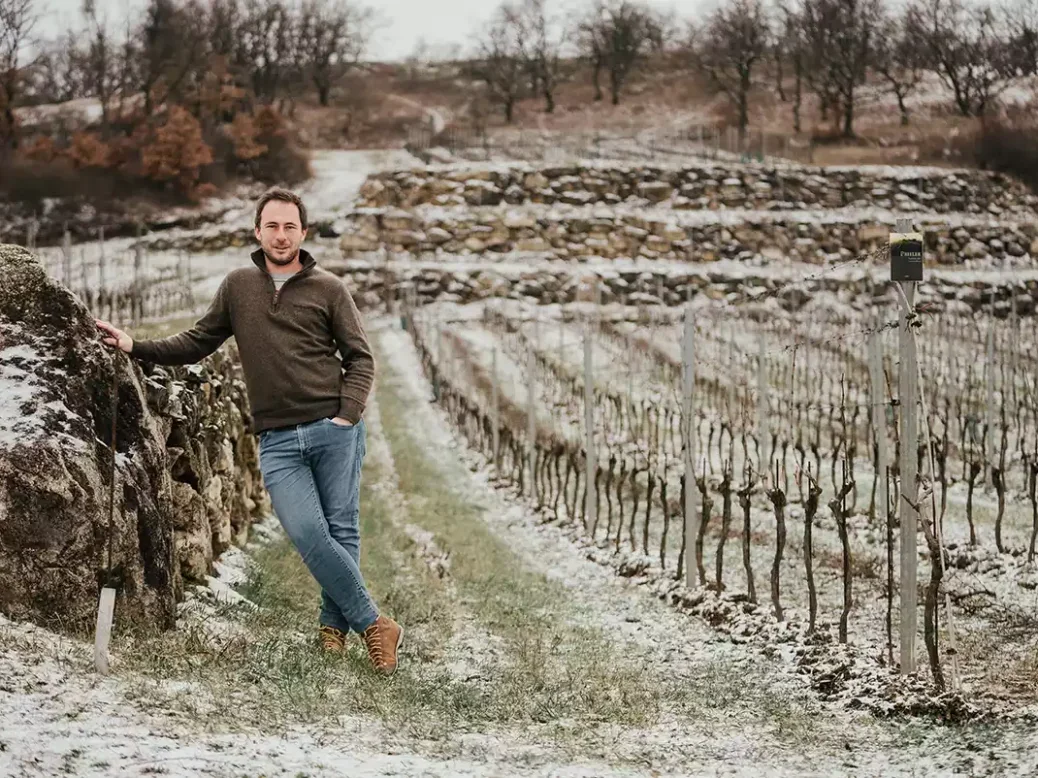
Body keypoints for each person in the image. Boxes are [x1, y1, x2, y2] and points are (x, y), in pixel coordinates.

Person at [95, 187, 403, 674]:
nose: (281, 235)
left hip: (333, 428)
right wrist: (134, 344)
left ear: (304, 232)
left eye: (290, 226)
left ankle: (332, 629)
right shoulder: (238, 285)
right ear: (258, 232)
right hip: (279, 438)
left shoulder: (329, 289)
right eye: (272, 226)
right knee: (306, 530)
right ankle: (374, 622)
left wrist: (346, 414)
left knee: (340, 531)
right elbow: (197, 341)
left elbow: (360, 358)